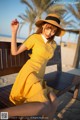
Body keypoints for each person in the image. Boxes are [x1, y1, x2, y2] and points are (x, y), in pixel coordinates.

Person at [0, 14, 65, 119]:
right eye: (48, 29)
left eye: (53, 31)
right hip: (29, 74)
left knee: (55, 101)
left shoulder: (53, 44)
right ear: (43, 26)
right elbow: (14, 52)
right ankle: (2, 114)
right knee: (46, 105)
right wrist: (14, 31)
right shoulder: (35, 38)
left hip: (39, 77)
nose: (50, 33)